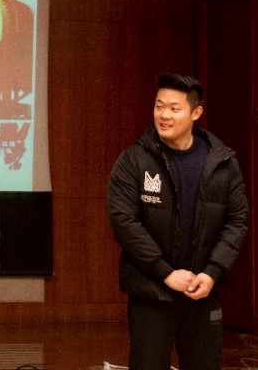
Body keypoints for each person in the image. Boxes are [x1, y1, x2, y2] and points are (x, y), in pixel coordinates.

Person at [106, 73, 249, 370]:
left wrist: (212, 273)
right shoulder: (134, 160)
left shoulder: (223, 164)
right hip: (151, 293)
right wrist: (166, 273)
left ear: (196, 113)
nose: (164, 115)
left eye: (174, 108)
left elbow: (236, 222)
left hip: (203, 292)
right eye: (159, 106)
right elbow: (124, 222)